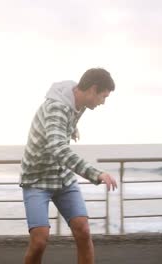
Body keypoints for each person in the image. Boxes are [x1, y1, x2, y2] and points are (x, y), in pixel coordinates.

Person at [20, 68, 118, 264]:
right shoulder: (57, 107)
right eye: (103, 96)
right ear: (93, 89)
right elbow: (58, 147)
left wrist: (72, 127)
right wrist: (95, 174)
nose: (103, 102)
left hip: (63, 177)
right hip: (37, 179)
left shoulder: (77, 100)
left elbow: (68, 116)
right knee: (39, 240)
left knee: (83, 229)